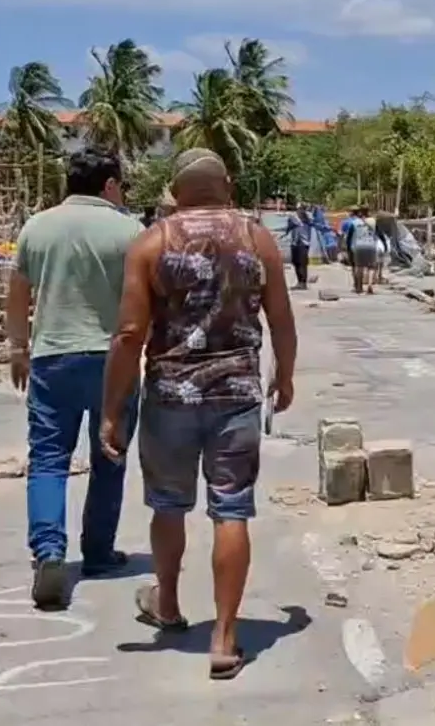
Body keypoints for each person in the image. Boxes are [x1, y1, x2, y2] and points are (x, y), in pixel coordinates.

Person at [100, 149, 297, 681]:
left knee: (168, 506)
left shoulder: (150, 243)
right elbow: (280, 317)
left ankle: (166, 603)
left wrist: (112, 409)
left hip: (170, 396)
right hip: (235, 395)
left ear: (176, 191)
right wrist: (287, 374)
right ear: (226, 186)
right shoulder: (258, 239)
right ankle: (225, 637)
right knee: (231, 509)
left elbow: (128, 335)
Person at [7, 147, 143, 610]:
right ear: (109, 184)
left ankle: (49, 551)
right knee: (110, 457)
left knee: (47, 458)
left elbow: (18, 294)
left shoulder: (36, 227)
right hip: (113, 360)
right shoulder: (130, 230)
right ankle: (99, 553)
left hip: (52, 357)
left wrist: (17, 348)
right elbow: (147, 300)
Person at [344, 206, 379, 294]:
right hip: (371, 245)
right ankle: (370, 285)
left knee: (359, 267)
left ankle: (358, 287)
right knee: (371, 267)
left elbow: (349, 237)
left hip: (358, 246)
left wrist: (347, 248)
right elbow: (378, 234)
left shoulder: (354, 223)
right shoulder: (374, 221)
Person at [283, 203, 312, 290]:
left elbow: (294, 220)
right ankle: (300, 282)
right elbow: (289, 227)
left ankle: (303, 283)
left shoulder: (306, 219)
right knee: (296, 263)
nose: (299, 211)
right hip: (295, 243)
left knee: (302, 264)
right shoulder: (296, 219)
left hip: (303, 244)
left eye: (300, 209)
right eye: (298, 209)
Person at [373, 211, 399, 286]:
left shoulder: (376, 229)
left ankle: (376, 277)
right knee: (380, 262)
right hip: (382, 247)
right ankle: (378, 276)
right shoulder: (384, 231)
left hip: (378, 246)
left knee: (377, 262)